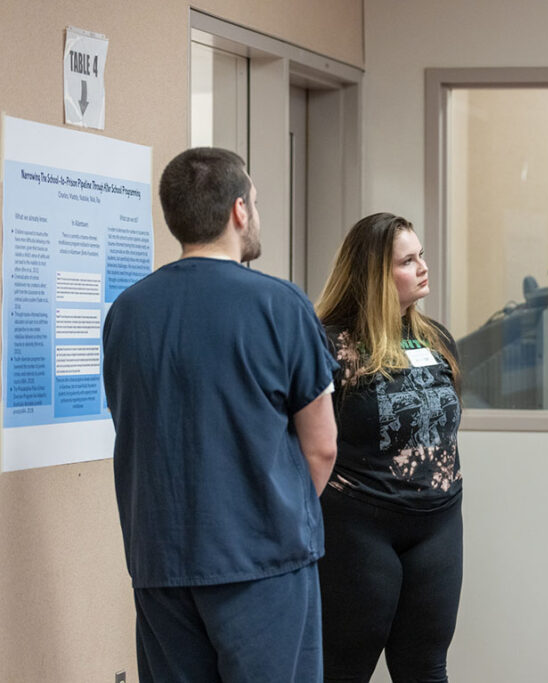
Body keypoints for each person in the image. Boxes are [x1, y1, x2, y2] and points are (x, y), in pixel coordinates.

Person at [102, 147, 339, 682]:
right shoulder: (280, 305)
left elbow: (134, 423)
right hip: (262, 561)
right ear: (238, 211)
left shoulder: (128, 311)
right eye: (253, 202)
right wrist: (275, 510)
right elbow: (322, 446)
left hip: (161, 560)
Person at [315, 212, 463, 682]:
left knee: (426, 668)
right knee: (344, 668)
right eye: (408, 260)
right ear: (375, 274)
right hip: (359, 527)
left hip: (438, 527)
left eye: (421, 256)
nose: (423, 267)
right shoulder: (329, 344)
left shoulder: (437, 339)